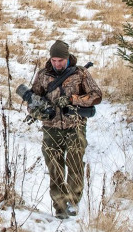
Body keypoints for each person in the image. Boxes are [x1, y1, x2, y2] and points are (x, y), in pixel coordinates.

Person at [29, 40, 102, 219]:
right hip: (51, 129)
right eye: (54, 60)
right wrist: (36, 110)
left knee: (75, 164)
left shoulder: (80, 73)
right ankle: (60, 207)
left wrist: (72, 100)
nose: (57, 64)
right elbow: (32, 99)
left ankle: (72, 202)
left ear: (67, 58)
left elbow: (96, 96)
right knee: (54, 168)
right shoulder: (42, 75)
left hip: (75, 127)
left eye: (60, 60)